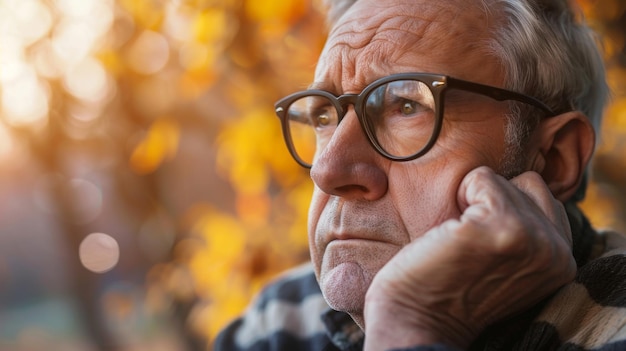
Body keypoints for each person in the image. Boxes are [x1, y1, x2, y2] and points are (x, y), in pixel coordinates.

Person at [215, 0, 626, 350]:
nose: (327, 170)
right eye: (325, 115)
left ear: (555, 158)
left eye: (406, 106)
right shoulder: (281, 322)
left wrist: (407, 324)